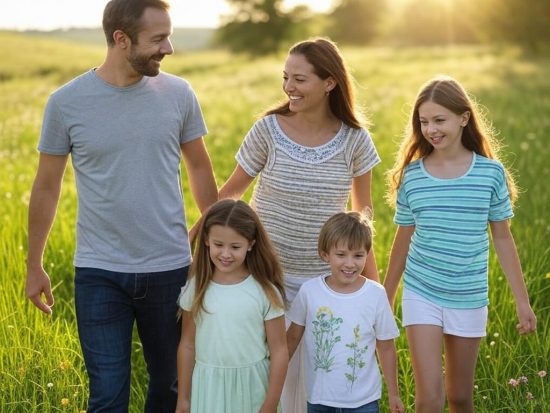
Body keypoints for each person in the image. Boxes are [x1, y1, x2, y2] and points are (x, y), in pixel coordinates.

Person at [24, 1, 217, 411]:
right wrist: (34, 263)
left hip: (169, 268)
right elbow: (45, 186)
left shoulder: (179, 94)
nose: (169, 48)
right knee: (108, 393)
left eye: (169, 35)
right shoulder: (66, 102)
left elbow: (199, 167)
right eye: (158, 39)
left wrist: (215, 245)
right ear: (120, 39)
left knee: (170, 387)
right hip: (99, 272)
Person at [218, 37, 381, 412]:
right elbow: (229, 196)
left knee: (311, 386)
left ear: (329, 83)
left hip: (324, 285)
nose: (289, 87)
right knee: (260, 379)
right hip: (262, 278)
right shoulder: (268, 130)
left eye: (300, 79)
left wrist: (374, 295)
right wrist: (191, 244)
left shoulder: (355, 141)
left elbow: (362, 221)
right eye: (285, 77)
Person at [383, 75, 537, 413]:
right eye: (423, 122)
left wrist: (522, 302)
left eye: (440, 120)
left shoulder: (490, 174)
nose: (431, 129)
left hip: (468, 294)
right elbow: (403, 239)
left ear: (463, 118)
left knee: (460, 398)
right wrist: (386, 296)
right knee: (428, 400)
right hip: (422, 291)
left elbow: (503, 238)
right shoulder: (412, 176)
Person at [176, 199, 288, 413]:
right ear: (207, 240)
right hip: (208, 389)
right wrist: (183, 399)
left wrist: (270, 404)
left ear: (251, 244)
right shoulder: (197, 288)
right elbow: (187, 345)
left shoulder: (265, 291)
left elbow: (279, 351)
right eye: (219, 245)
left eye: (235, 247)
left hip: (253, 389)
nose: (225, 254)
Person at [286, 211, 404, 413]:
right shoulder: (310, 292)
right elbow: (291, 340)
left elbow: (385, 347)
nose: (350, 263)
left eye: (358, 255)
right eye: (341, 255)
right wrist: (269, 378)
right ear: (325, 254)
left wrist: (394, 393)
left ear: (367, 254)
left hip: (364, 402)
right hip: (320, 400)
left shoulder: (375, 294)